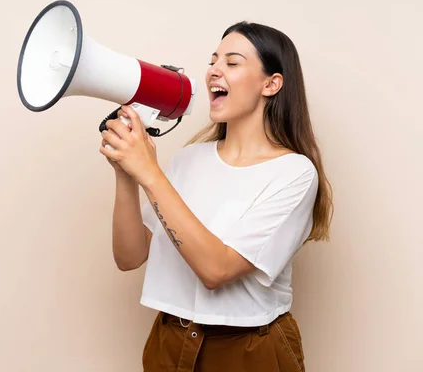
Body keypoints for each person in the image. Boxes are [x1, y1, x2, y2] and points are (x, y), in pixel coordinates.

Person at [99, 21, 334, 372]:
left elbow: (216, 269)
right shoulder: (190, 158)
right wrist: (126, 175)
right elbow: (129, 257)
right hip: (169, 342)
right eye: (213, 60)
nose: (213, 71)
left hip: (248, 351)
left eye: (232, 62)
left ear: (272, 84)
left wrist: (149, 172)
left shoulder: (295, 174)